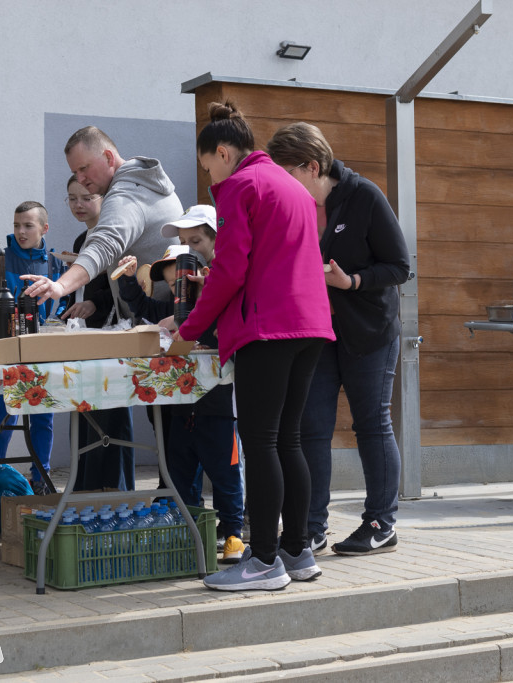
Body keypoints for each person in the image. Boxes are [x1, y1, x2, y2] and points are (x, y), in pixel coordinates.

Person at [174, 101, 334, 591]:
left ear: (223, 153)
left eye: (208, 169)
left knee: (262, 441)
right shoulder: (294, 187)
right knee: (289, 440)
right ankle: (296, 550)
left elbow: (229, 270)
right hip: (310, 326)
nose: (209, 180)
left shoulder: (242, 185)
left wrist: (190, 330)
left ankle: (264, 560)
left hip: (269, 328)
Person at [266, 122, 410, 555]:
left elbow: (400, 266)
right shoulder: (294, 206)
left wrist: (353, 282)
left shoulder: (364, 195)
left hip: (370, 333)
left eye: (284, 172)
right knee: (311, 429)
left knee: (371, 425)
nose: (278, 184)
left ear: (312, 167)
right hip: (318, 333)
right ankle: (311, 526)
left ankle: (381, 522)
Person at [116, 236, 246, 563]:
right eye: (174, 284)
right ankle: (192, 534)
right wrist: (130, 279)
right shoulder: (174, 309)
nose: (179, 291)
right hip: (178, 411)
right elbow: (143, 308)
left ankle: (233, 534)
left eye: (185, 281)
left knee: (225, 473)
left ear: (202, 273)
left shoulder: (222, 305)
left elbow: (228, 332)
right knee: (178, 473)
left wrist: (194, 327)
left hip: (217, 411)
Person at [21, 126, 179, 309]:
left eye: (84, 168)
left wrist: (60, 285)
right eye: (75, 173)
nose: (80, 179)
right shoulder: (146, 183)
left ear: (108, 158)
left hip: (159, 326)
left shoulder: (125, 195)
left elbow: (104, 246)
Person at [0, 201, 67, 494]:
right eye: (16, 225)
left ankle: (40, 477)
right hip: (10, 348)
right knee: (5, 415)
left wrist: (55, 321)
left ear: (45, 228)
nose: (21, 231)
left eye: (28, 226)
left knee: (44, 415)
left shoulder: (57, 264)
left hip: (44, 351)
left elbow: (65, 305)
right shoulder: (1, 260)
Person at [60, 176, 136, 491]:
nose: (79, 205)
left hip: (112, 337)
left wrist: (94, 302)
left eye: (87, 198)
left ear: (104, 200)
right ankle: (85, 487)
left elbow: (120, 288)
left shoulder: (118, 238)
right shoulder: (81, 240)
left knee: (111, 415)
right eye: (72, 198)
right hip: (84, 337)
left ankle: (113, 491)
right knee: (85, 412)